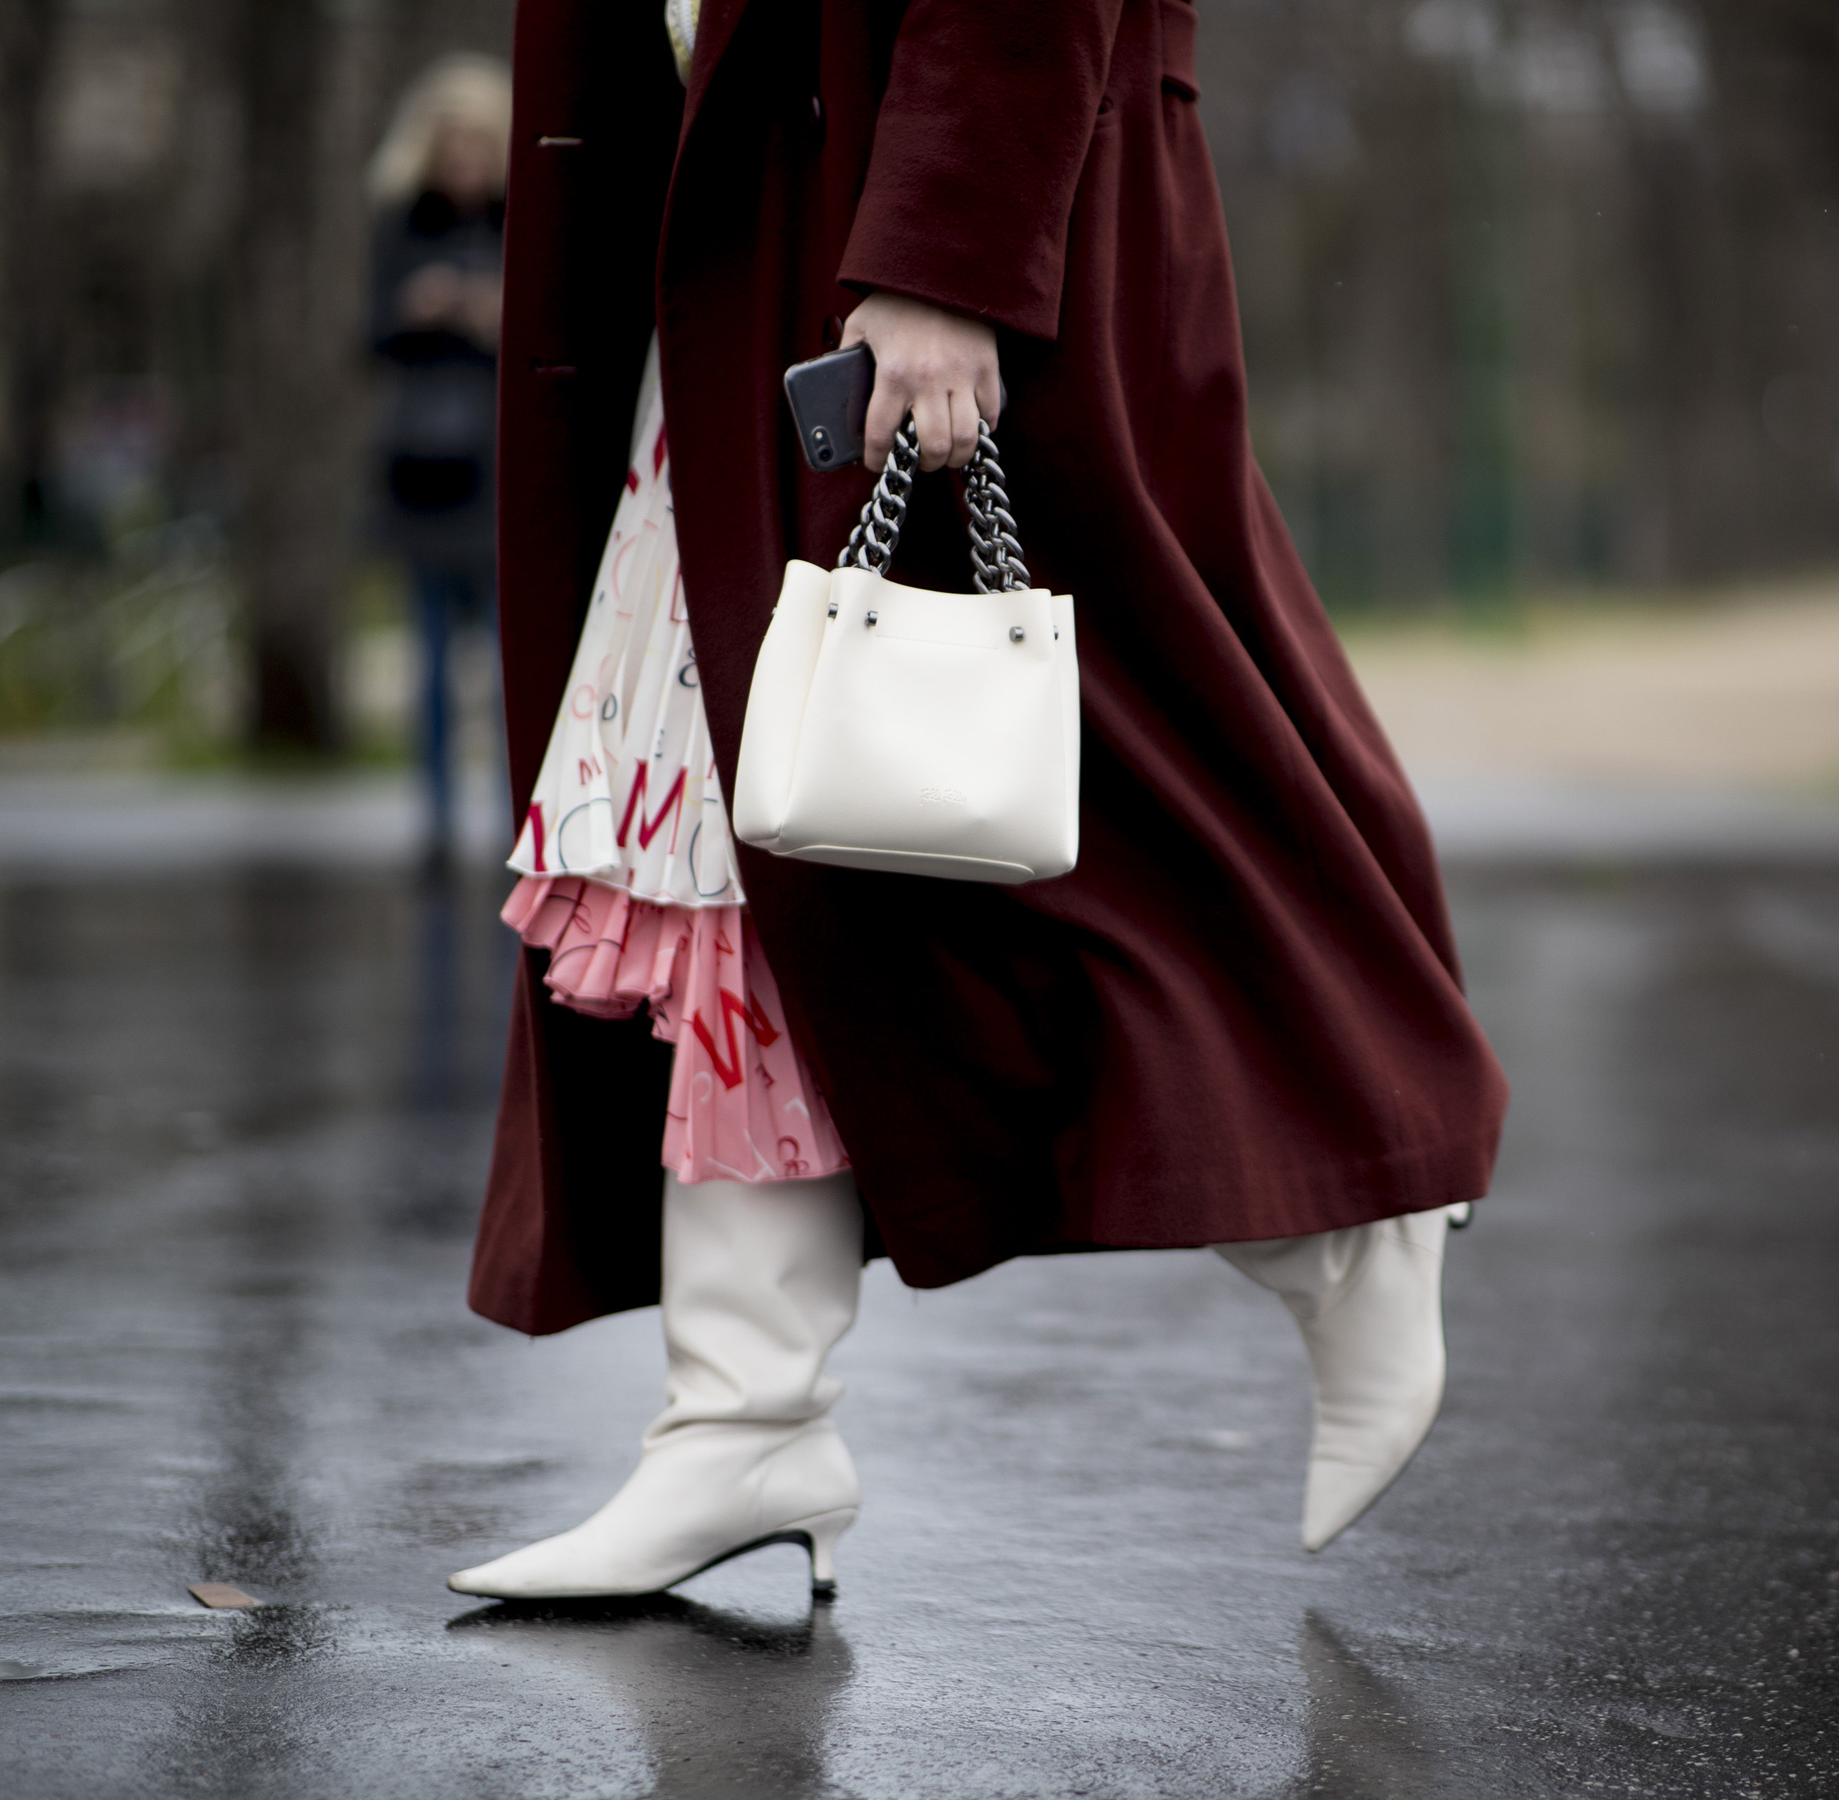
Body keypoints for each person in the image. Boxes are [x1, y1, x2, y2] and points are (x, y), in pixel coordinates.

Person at [447, 0, 1508, 1601]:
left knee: (1107, 797)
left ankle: (1340, 1212)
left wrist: (951, 248)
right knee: (752, 808)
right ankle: (743, 1417)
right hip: (750, 209)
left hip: (928, 214)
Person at [367, 57, 509, 864]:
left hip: (491, 472)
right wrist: (415, 308)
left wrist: (489, 314)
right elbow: (369, 336)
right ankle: (436, 823)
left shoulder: (517, 223)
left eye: (475, 143)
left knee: (498, 656)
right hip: (420, 468)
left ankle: (504, 818)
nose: (462, 160)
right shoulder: (400, 225)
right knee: (427, 658)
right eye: (450, 144)